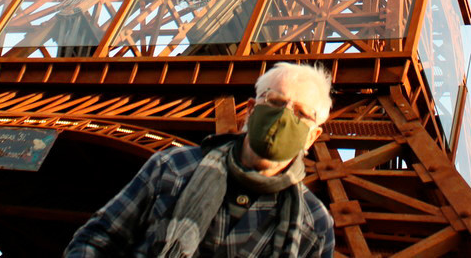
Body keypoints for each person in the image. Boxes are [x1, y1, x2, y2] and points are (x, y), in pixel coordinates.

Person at [64, 62, 335, 258]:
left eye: (301, 113)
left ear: (313, 137)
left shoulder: (317, 226)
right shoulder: (172, 167)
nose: (285, 116)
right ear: (250, 110)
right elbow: (98, 239)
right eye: (275, 101)